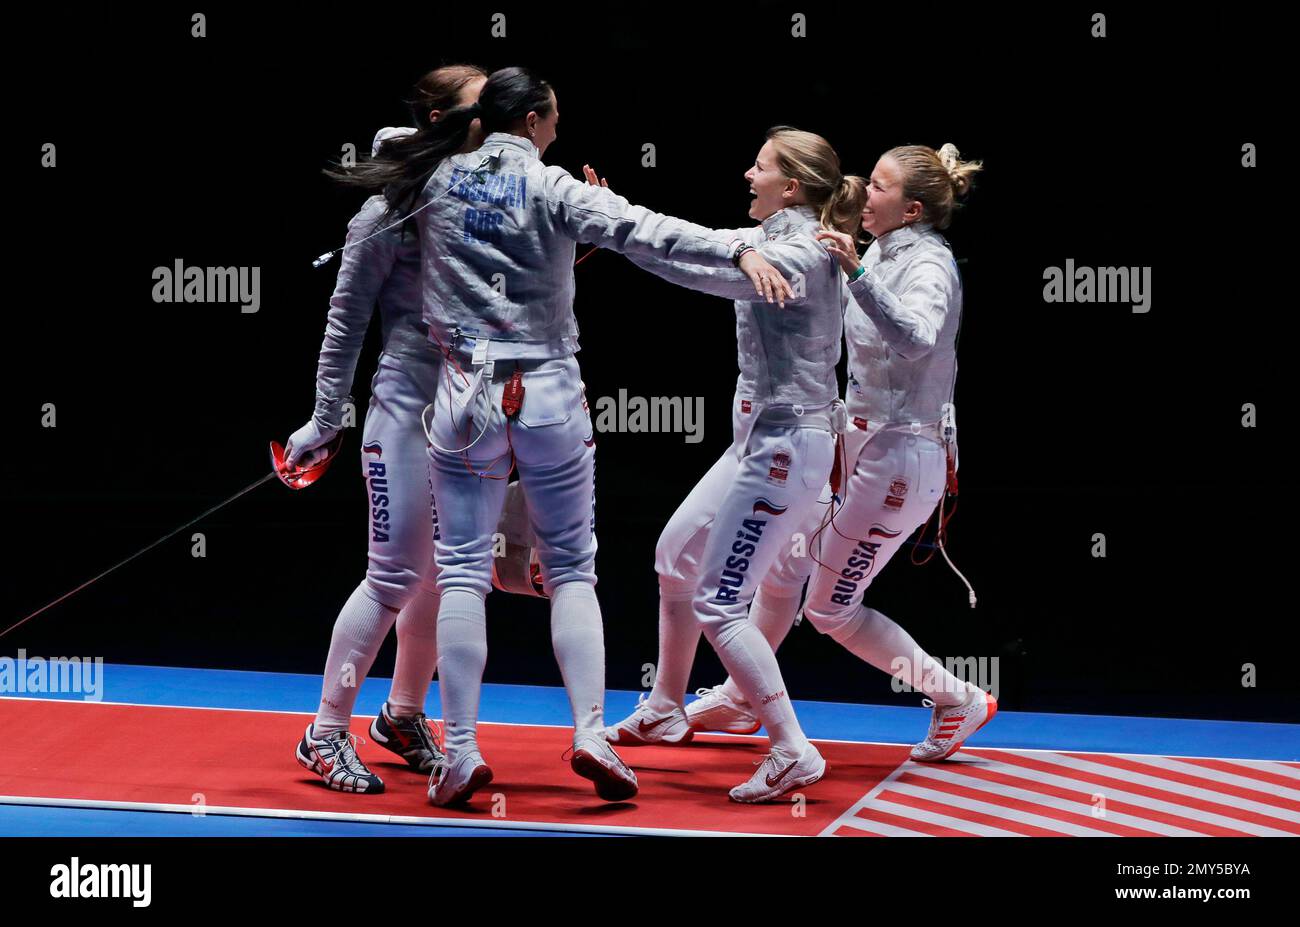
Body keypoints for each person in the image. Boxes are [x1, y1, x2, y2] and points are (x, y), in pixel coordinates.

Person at [339, 66, 794, 806]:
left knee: (459, 574)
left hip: (463, 400)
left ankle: (459, 752)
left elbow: (396, 147)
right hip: (548, 394)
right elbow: (645, 228)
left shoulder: (434, 177)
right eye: (553, 118)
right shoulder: (552, 187)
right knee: (572, 571)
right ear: (535, 120)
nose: (556, 129)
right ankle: (589, 733)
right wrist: (736, 249)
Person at [687, 144, 996, 763]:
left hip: (901, 462)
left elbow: (914, 340)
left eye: (878, 187)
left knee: (829, 607)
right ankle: (742, 696)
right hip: (854, 448)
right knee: (782, 567)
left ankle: (955, 697)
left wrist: (857, 273)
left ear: (911, 209)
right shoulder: (878, 248)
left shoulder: (926, 264)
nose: (864, 194)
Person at [599, 128, 868, 802]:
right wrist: (619, 223)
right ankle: (665, 706)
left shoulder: (799, 254)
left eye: (761, 166)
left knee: (721, 601)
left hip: (787, 449)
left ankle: (791, 748)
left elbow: (699, 267)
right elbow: (703, 246)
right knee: (673, 556)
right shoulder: (779, 242)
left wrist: (613, 229)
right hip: (758, 441)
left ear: (794, 186)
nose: (748, 173)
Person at [287, 65, 487, 794]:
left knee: (441, 576)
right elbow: (345, 324)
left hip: (466, 414)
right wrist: (323, 416)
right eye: (478, 104)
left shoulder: (482, 198)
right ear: (440, 115)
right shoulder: (383, 214)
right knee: (396, 572)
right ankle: (324, 731)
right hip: (404, 408)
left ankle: (402, 717)